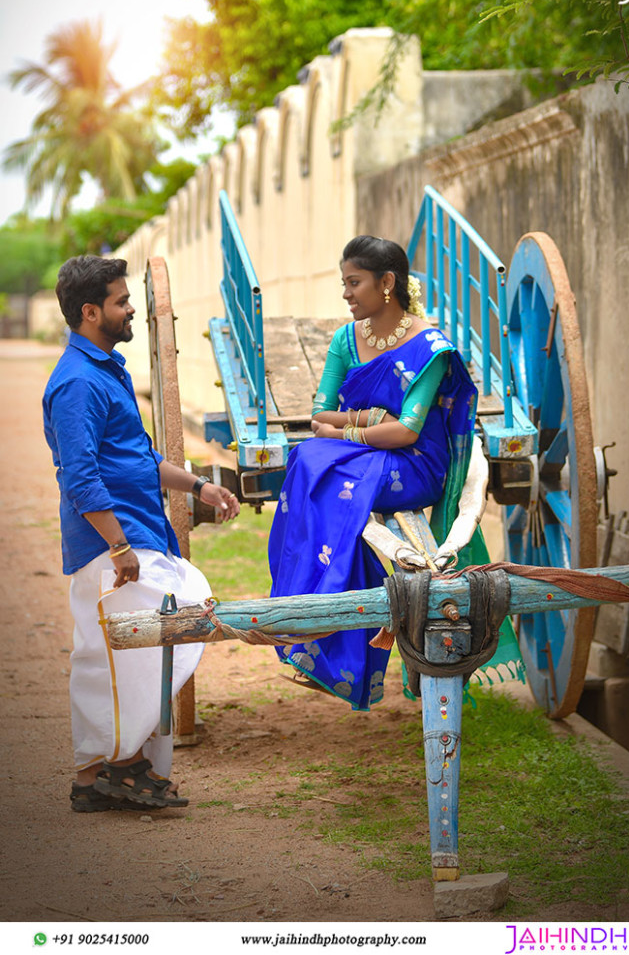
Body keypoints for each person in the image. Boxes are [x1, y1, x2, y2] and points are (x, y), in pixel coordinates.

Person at [43, 255, 240, 812]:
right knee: (117, 653)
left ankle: (101, 778)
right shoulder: (77, 383)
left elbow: (139, 458)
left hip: (134, 535)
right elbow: (79, 475)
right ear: (90, 312)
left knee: (141, 649)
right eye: (121, 301)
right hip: (110, 546)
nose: (132, 310)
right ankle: (119, 768)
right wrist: (118, 544)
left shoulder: (106, 369)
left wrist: (198, 486)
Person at [269, 235, 486, 710]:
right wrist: (367, 422)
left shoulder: (430, 347)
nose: (345, 293)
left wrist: (345, 431)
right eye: (343, 283)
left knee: (329, 477)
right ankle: (320, 626)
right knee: (306, 458)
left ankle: (326, 629)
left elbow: (409, 431)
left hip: (413, 467)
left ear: (387, 283)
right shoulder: (348, 339)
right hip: (366, 454)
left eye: (354, 283)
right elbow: (318, 418)